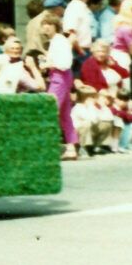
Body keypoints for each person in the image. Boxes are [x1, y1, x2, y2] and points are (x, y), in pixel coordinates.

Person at [41, 14, 79, 160]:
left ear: (55, 26)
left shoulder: (59, 41)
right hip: (60, 77)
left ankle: (49, 146)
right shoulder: (56, 41)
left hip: (60, 78)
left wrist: (47, 64)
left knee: (50, 111)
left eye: (49, 24)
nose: (45, 27)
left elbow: (64, 63)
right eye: (44, 24)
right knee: (64, 114)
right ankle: (71, 147)